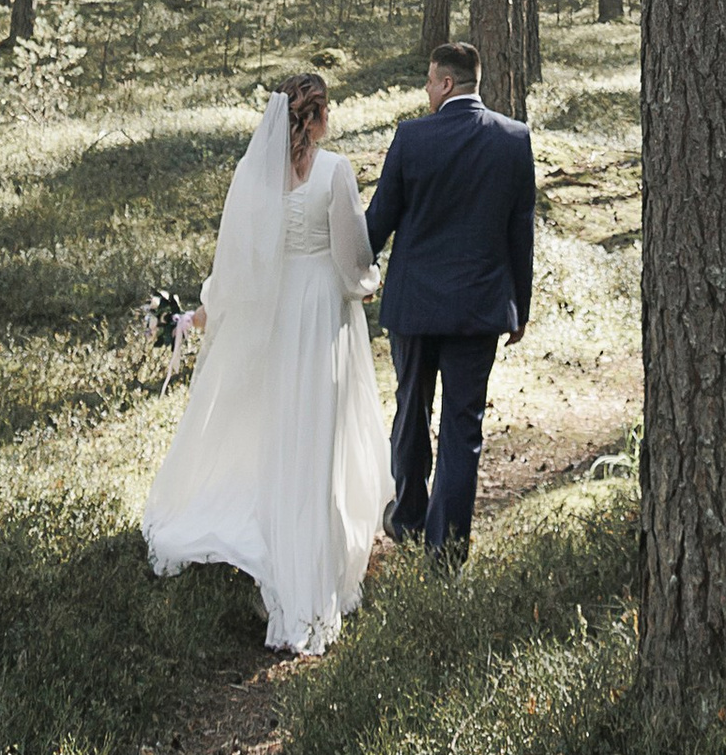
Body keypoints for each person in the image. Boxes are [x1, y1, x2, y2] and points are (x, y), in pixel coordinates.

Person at [140, 72, 388, 655]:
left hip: (277, 312)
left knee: (281, 429)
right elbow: (352, 256)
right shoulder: (335, 172)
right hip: (321, 311)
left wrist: (206, 313)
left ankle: (275, 548)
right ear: (318, 117)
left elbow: (236, 263)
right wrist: (366, 285)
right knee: (317, 435)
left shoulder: (254, 175)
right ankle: (309, 572)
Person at [365, 38, 536, 563]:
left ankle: (408, 519)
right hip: (478, 309)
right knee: (463, 427)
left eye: (428, 82)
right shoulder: (513, 138)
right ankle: (446, 551)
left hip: (414, 307)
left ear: (444, 83)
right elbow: (520, 232)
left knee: (411, 412)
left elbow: (378, 223)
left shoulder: (411, 137)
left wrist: (344, 272)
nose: (426, 91)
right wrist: (520, 308)